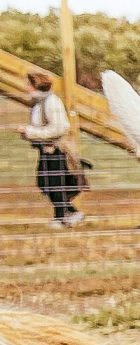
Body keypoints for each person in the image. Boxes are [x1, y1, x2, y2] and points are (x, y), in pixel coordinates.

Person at [19, 72, 83, 228]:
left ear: (35, 85)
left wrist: (29, 132)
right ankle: (70, 213)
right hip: (45, 149)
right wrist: (28, 134)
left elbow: (58, 129)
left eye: (28, 84)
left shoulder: (51, 102)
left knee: (55, 183)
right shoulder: (38, 103)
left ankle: (62, 217)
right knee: (44, 183)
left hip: (56, 149)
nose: (25, 87)